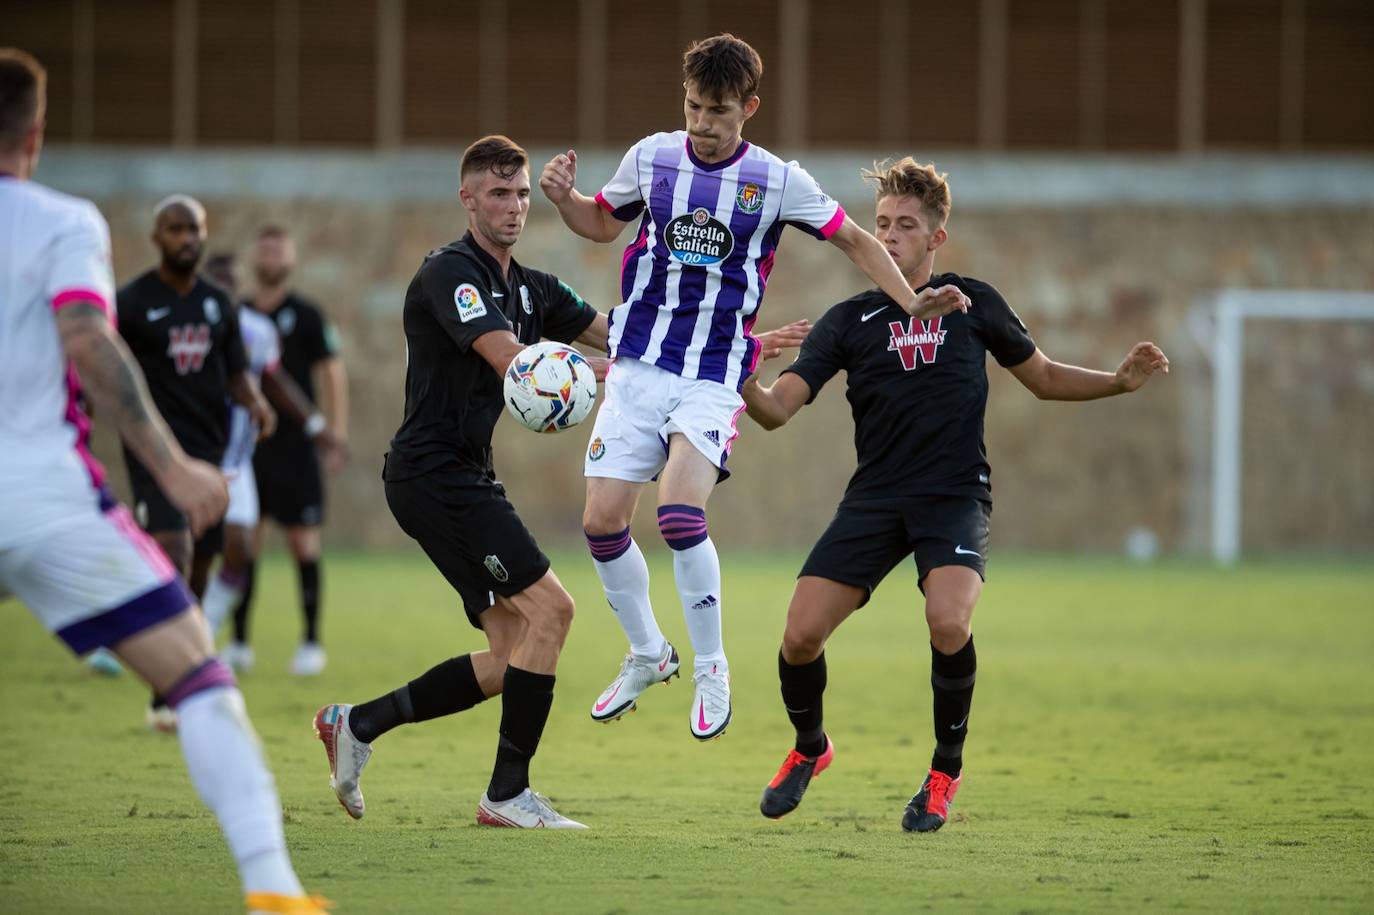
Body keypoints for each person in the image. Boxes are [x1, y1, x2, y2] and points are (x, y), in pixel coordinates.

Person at [312, 135, 806, 828]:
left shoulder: (533, 287)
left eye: (519, 194)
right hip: (433, 475)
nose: (514, 207)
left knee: (512, 652)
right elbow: (513, 361)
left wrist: (732, 345)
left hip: (464, 474)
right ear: (467, 199)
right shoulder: (449, 273)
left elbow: (630, 337)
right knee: (555, 612)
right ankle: (507, 795)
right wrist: (589, 373)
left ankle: (356, 723)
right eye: (497, 194)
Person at [540, 33, 967, 740]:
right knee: (601, 521)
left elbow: (858, 240)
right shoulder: (651, 157)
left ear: (750, 108)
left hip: (712, 371)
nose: (703, 125)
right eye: (693, 108)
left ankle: (712, 666)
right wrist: (565, 200)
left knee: (678, 513)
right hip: (640, 364)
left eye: (718, 111)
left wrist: (908, 302)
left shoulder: (776, 180)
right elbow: (597, 225)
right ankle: (649, 652)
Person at [741, 157, 1170, 831]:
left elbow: (1047, 376)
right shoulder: (847, 320)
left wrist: (1117, 381)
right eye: (880, 224)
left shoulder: (975, 303)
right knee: (798, 636)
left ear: (937, 237)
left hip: (953, 495)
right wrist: (740, 370)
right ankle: (809, 748)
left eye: (905, 225)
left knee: (948, 620)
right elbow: (774, 411)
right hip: (875, 498)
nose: (888, 236)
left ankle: (944, 770)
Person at [0, 48, 327, 914]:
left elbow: (230, 372)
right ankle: (273, 887)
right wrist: (173, 463)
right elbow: (87, 340)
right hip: (40, 496)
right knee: (200, 676)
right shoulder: (63, 223)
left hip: (49, 494)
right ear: (35, 134)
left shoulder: (216, 306)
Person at [116, 197, 276, 730]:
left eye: (194, 230)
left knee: (202, 565)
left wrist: (254, 402)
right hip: (156, 451)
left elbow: (235, 373)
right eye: (176, 229)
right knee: (175, 550)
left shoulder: (217, 304)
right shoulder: (133, 302)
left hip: (208, 452)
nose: (187, 238)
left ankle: (177, 672)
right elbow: (111, 372)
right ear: (157, 237)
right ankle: (171, 686)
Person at [200, 253, 339, 655]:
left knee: (239, 549)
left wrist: (318, 427)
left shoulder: (255, 330)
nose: (225, 291)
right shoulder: (188, 324)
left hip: (237, 460)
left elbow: (273, 380)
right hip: (192, 455)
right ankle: (149, 632)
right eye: (217, 282)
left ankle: (205, 629)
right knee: (179, 548)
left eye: (231, 283)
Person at [237, 226, 349, 676]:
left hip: (298, 448)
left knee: (304, 542)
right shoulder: (237, 314)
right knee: (245, 542)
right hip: (249, 446)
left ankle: (310, 643)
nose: (272, 254)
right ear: (255, 257)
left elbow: (332, 374)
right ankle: (240, 641)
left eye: (280, 247)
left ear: (292, 256)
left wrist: (336, 435)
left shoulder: (307, 315)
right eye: (264, 247)